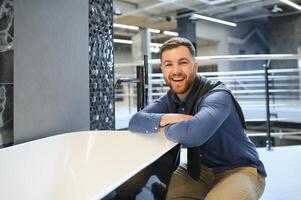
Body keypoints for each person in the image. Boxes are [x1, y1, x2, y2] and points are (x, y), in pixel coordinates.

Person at [129, 37, 266, 200]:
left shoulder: (217, 96)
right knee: (153, 191)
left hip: (239, 170)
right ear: (162, 69)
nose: (176, 71)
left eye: (183, 62)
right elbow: (136, 121)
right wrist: (170, 117)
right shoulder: (171, 97)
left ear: (195, 66)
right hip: (199, 172)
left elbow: (193, 135)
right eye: (169, 64)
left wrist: (163, 127)